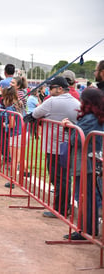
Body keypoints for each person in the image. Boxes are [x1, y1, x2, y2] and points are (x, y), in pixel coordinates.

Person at [31, 76, 81, 218]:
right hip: (68, 146)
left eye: (51, 87)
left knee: (57, 178)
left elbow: (35, 114)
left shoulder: (52, 101)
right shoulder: (76, 101)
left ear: (60, 89)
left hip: (54, 146)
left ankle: (61, 209)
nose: (49, 90)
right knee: (64, 178)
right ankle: (65, 207)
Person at [61, 87, 104, 240]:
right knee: (89, 196)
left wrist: (71, 128)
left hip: (87, 163)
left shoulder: (91, 118)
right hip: (92, 161)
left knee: (86, 196)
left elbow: (77, 139)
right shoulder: (96, 117)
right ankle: (88, 228)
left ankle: (87, 230)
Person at [1, 86, 25, 187]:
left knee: (14, 159)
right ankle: (20, 177)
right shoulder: (19, 104)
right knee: (19, 157)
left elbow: (12, 124)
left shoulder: (10, 107)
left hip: (15, 134)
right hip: (22, 133)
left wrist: (4, 125)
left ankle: (12, 181)